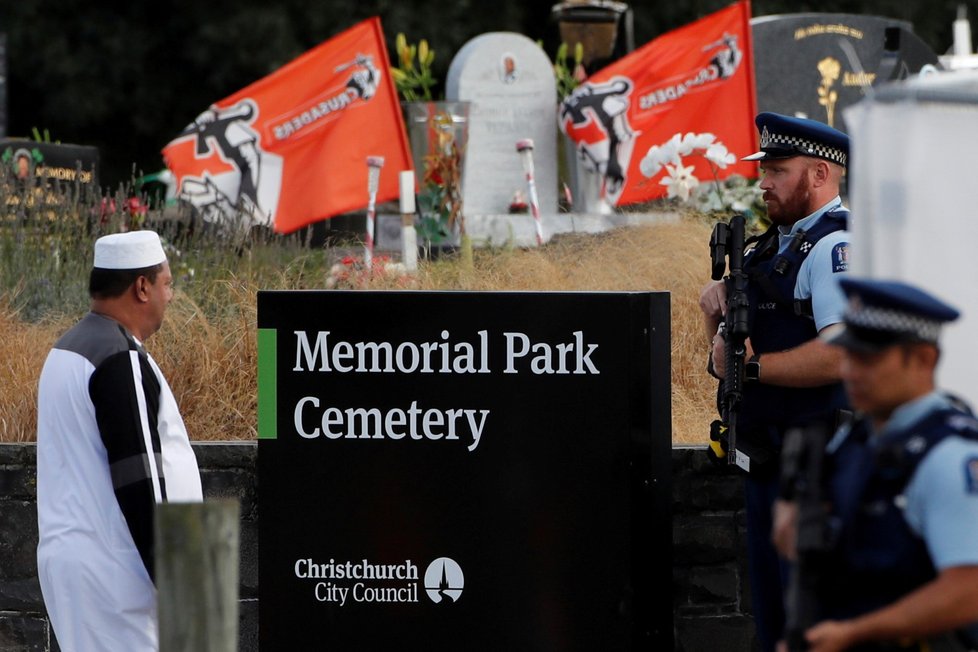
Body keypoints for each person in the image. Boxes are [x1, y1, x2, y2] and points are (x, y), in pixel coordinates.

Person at [700, 112, 852, 652]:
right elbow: (721, 361)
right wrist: (713, 312)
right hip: (765, 457)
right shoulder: (771, 247)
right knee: (773, 620)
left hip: (813, 462)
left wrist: (755, 364)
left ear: (819, 175)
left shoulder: (833, 249)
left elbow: (842, 355)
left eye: (778, 170)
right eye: (764, 169)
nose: (763, 181)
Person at [773, 277, 978, 651]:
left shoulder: (948, 454)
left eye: (867, 359)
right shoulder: (856, 437)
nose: (850, 371)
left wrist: (855, 633)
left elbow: (968, 590)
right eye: (848, 355)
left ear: (923, 359)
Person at [36, 230, 203, 651]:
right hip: (117, 577)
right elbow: (139, 476)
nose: (172, 294)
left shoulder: (67, 350)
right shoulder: (119, 357)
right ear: (142, 287)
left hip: (79, 569)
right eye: (166, 283)